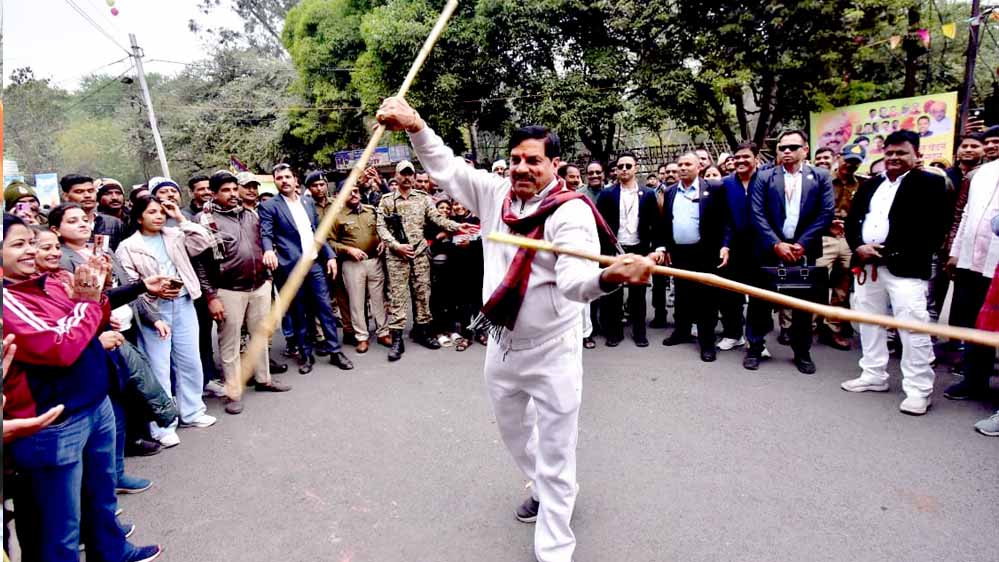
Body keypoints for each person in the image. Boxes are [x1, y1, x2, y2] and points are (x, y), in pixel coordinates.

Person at [376, 95, 653, 562]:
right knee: (516, 435)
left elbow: (575, 284)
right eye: (517, 159)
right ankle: (546, 488)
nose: (523, 168)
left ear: (555, 164)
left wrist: (610, 277)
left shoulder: (571, 213)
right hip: (501, 343)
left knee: (557, 450)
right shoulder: (494, 194)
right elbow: (445, 166)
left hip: (554, 349)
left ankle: (554, 547)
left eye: (534, 161)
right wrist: (415, 124)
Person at [3, 213, 164, 562]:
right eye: (18, 245)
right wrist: (88, 302)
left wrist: (95, 291)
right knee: (60, 527)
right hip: (54, 421)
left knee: (100, 497)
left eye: (31, 242)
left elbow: (91, 322)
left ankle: (111, 552)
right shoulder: (8, 299)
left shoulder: (47, 282)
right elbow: (60, 346)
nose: (31, 251)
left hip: (93, 403)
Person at [840, 130, 948, 416]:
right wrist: (859, 246)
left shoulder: (930, 184)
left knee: (912, 327)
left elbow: (934, 230)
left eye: (901, 153)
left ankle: (919, 390)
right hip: (868, 265)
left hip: (906, 268)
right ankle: (873, 374)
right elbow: (852, 221)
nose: (894, 158)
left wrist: (891, 252)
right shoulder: (870, 184)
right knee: (869, 321)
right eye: (889, 153)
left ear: (916, 155)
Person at [116, 195, 219, 447]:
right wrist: (153, 297)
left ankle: (192, 411)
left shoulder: (175, 234)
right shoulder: (128, 246)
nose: (159, 216)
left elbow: (205, 242)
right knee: (158, 366)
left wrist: (180, 217)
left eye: (162, 211)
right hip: (153, 309)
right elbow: (130, 287)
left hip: (184, 302)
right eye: (152, 212)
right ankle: (162, 424)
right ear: (139, 217)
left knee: (190, 360)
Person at [197, 171, 292, 415]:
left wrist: (268, 278)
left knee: (260, 335)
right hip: (228, 290)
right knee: (229, 344)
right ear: (214, 194)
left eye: (233, 189)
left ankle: (263, 379)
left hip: (259, 285)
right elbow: (200, 264)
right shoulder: (205, 221)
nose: (231, 194)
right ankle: (233, 392)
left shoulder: (250, 215)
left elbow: (263, 245)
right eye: (225, 190)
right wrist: (211, 296)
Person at [745, 130, 834, 374]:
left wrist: (803, 243)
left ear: (805, 150)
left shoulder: (820, 176)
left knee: (802, 306)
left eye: (793, 147)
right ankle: (755, 348)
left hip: (803, 252)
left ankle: (802, 351)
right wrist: (776, 244)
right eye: (782, 147)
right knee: (759, 302)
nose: (786, 151)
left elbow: (826, 212)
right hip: (769, 250)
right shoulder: (764, 176)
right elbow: (756, 213)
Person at [260, 164, 354, 374]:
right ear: (275, 182)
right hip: (290, 267)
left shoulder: (307, 202)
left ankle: (335, 351)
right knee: (299, 313)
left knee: (325, 309)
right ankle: (306, 354)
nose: (284, 181)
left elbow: (318, 232)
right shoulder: (269, 206)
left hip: (314, 265)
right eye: (279, 178)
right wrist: (267, 250)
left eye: (287, 177)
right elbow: (266, 233)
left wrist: (330, 256)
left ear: (295, 180)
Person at [376, 160, 475, 361]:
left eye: (409, 174)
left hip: (419, 254)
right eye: (403, 174)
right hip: (397, 256)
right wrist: (396, 246)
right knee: (398, 297)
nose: (406, 178)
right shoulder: (386, 200)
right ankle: (397, 339)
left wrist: (457, 226)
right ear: (396, 176)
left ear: (414, 177)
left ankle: (423, 331)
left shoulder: (422, 199)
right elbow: (380, 227)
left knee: (423, 294)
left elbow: (437, 218)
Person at [654, 152, 729, 362]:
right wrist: (664, 247)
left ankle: (707, 342)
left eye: (688, 164)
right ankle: (682, 331)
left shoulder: (713, 189)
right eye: (680, 164)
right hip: (679, 253)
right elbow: (665, 223)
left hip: (705, 252)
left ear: (699, 167)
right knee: (681, 294)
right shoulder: (670, 192)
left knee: (706, 298)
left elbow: (725, 220)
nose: (683, 167)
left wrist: (725, 245)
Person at [944, 158, 999, 401]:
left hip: (996, 264)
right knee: (974, 322)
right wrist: (956, 252)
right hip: (971, 262)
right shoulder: (982, 173)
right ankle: (974, 381)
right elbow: (966, 215)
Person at [597, 153, 657, 347]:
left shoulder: (648, 194)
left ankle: (640, 333)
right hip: (615, 248)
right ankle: (614, 333)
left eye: (628, 166)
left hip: (639, 247)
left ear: (636, 168)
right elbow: (600, 224)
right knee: (613, 293)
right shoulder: (607, 194)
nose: (624, 169)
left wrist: (656, 248)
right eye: (620, 166)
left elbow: (655, 223)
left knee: (638, 293)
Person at [816, 143, 868, 350]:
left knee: (842, 287)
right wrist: (827, 224)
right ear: (839, 158)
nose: (850, 166)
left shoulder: (861, 184)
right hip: (824, 237)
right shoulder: (823, 180)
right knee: (816, 282)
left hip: (848, 239)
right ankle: (811, 324)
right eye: (847, 161)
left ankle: (833, 328)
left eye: (855, 163)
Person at [330, 184, 392, 354]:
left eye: (356, 191)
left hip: (374, 260)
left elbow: (382, 229)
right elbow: (330, 242)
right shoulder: (336, 216)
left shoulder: (370, 210)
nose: (353, 194)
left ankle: (383, 333)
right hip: (352, 264)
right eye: (349, 192)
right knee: (356, 302)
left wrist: (383, 241)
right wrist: (348, 249)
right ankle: (361, 337)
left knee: (378, 299)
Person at [305, 170, 357, 347]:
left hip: (338, 254)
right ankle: (321, 336)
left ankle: (349, 330)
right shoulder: (306, 206)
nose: (319, 188)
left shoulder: (337, 204)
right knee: (320, 298)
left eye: (322, 184)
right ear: (309, 188)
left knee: (343, 295)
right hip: (317, 257)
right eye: (315, 185)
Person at [717, 142, 761, 352]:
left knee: (759, 296)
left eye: (746, 157)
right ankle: (733, 334)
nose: (741, 161)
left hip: (761, 246)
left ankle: (757, 340)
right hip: (733, 247)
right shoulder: (725, 184)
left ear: (756, 159)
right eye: (737, 158)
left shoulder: (766, 180)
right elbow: (724, 218)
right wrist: (725, 245)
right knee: (729, 293)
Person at [61, 174, 126, 251]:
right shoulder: (60, 224)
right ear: (65, 196)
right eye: (79, 192)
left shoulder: (114, 223)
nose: (87, 195)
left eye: (91, 191)